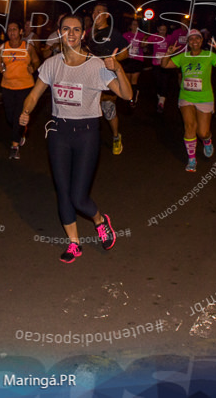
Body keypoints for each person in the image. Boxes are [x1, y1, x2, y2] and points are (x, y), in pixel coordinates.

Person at [19, 14, 132, 263]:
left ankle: (101, 221)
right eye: (66, 29)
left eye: (76, 29)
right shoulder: (51, 64)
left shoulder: (96, 65)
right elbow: (35, 94)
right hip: (59, 133)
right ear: (59, 33)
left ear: (83, 34)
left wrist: (118, 68)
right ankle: (74, 243)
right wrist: (26, 111)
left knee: (78, 197)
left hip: (87, 134)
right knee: (63, 191)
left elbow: (126, 94)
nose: (71, 33)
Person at [162, 29, 216, 172]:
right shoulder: (183, 56)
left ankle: (207, 140)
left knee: (202, 132)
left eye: (197, 38)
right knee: (189, 126)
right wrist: (168, 53)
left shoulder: (208, 55)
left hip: (204, 97)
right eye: (191, 39)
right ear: (188, 42)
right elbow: (164, 65)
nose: (194, 41)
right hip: (186, 96)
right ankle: (192, 159)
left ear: (201, 41)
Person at [86, 3, 129, 155]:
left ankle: (116, 137)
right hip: (91, 77)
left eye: (99, 12)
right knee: (88, 108)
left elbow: (126, 52)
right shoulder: (89, 33)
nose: (95, 14)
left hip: (108, 76)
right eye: (93, 12)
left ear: (106, 16)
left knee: (108, 110)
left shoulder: (114, 33)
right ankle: (88, 139)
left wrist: (114, 60)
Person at [0, 21, 40, 159]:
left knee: (18, 117)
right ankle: (21, 131)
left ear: (21, 31)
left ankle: (14, 146)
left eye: (15, 29)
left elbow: (36, 61)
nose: (12, 32)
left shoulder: (28, 47)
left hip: (25, 87)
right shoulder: (3, 47)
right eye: (9, 30)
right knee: (10, 117)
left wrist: (33, 67)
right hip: (7, 87)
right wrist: (0, 67)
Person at [121, 18, 147, 108]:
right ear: (130, 26)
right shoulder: (125, 35)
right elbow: (122, 47)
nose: (135, 26)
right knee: (127, 81)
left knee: (134, 81)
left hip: (138, 59)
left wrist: (144, 45)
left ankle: (133, 99)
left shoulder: (142, 35)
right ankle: (127, 97)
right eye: (133, 24)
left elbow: (145, 48)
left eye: (136, 25)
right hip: (128, 60)